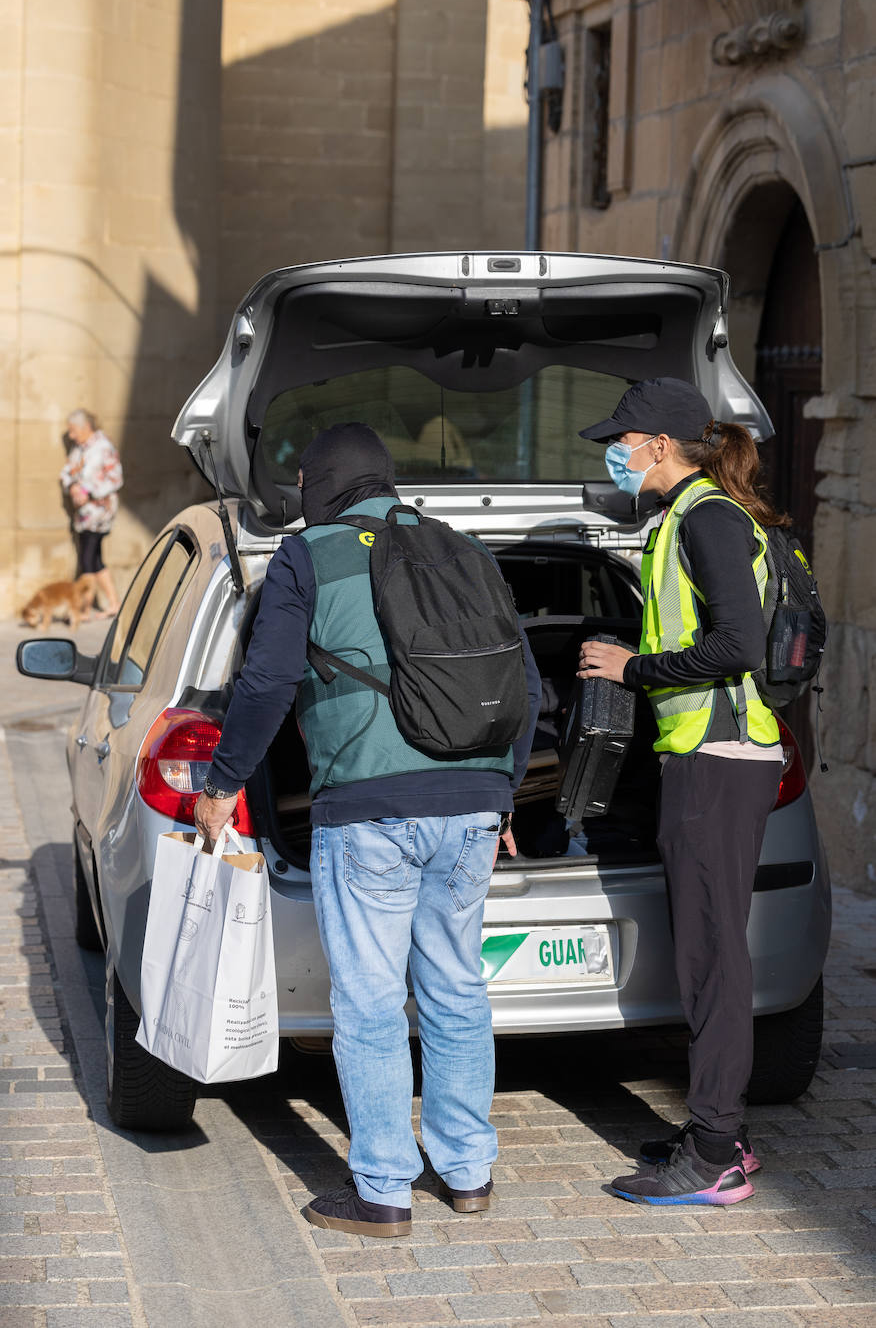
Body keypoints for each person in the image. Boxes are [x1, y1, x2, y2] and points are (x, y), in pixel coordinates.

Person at [193, 422, 541, 1237]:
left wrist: (224, 782)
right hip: (472, 807)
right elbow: (521, 680)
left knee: (372, 999)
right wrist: (506, 795)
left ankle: (383, 1189)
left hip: (369, 809)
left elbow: (268, 679)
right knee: (457, 986)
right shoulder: (466, 550)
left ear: (319, 483)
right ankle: (468, 1171)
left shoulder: (306, 555)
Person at [577, 377, 785, 1207]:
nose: (614, 454)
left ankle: (715, 1152)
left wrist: (635, 669)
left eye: (621, 442)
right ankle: (718, 1130)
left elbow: (738, 642)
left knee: (713, 961)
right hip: (708, 755)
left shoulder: (704, 519)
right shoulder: (689, 518)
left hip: (719, 758)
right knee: (710, 953)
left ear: (660, 445)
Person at [59, 408, 123, 616]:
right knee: (94, 558)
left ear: (85, 427)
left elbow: (116, 478)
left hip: (99, 511)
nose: (71, 436)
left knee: (87, 558)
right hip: (84, 512)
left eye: (73, 430)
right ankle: (113, 603)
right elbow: (67, 472)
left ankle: (84, 608)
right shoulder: (79, 449)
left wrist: (89, 492)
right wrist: (73, 487)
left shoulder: (104, 447)